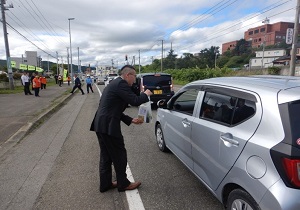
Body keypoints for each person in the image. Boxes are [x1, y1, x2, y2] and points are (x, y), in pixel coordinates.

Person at [90, 65, 152, 193]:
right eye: (134, 76)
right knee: (119, 155)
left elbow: (113, 108)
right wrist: (145, 94)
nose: (135, 79)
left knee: (106, 156)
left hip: (100, 124)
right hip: (108, 126)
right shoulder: (121, 84)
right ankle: (123, 184)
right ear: (128, 75)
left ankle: (105, 184)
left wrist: (130, 120)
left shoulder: (115, 84)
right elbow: (135, 100)